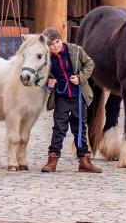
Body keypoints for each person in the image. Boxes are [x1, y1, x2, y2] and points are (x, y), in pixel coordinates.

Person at [39, 28, 102, 173]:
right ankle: (52, 159)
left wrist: (80, 78)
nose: (56, 46)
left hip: (78, 96)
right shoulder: (46, 58)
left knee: (79, 127)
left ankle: (84, 160)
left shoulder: (75, 50)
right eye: (52, 44)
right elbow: (41, 75)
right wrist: (48, 81)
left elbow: (90, 64)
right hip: (61, 98)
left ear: (61, 40)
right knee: (59, 128)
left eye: (58, 42)